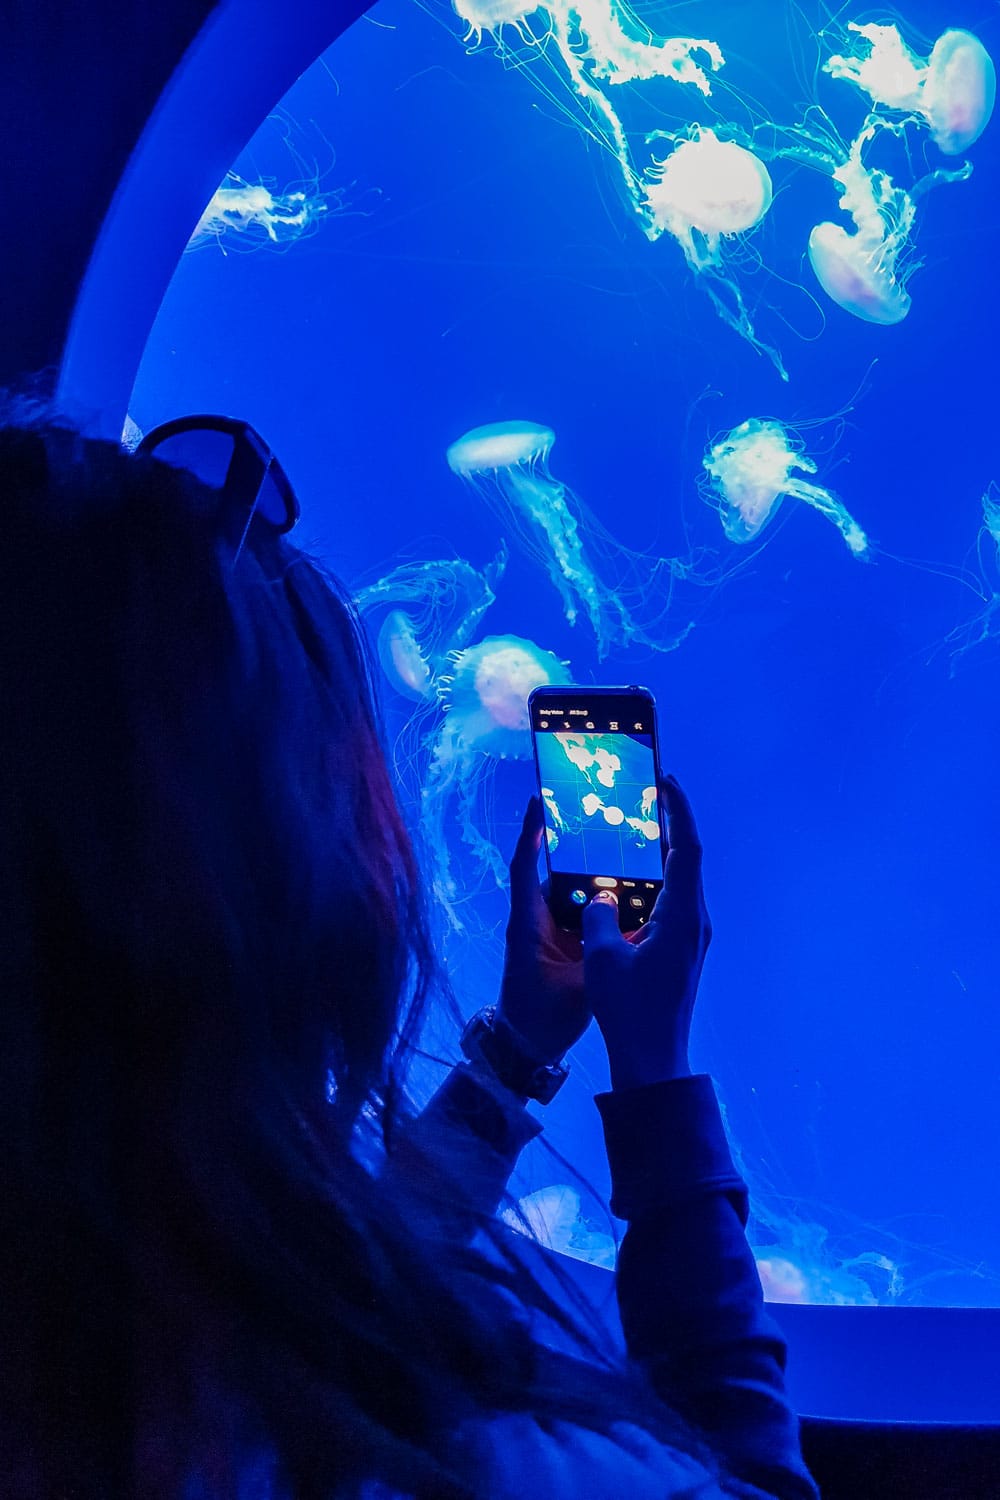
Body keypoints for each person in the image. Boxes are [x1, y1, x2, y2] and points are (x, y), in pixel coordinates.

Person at [0, 413, 819, 1500]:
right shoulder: (463, 1471)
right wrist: (656, 1082)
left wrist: (514, 1050)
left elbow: (298, 1289)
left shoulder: (83, 1316)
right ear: (266, 882)